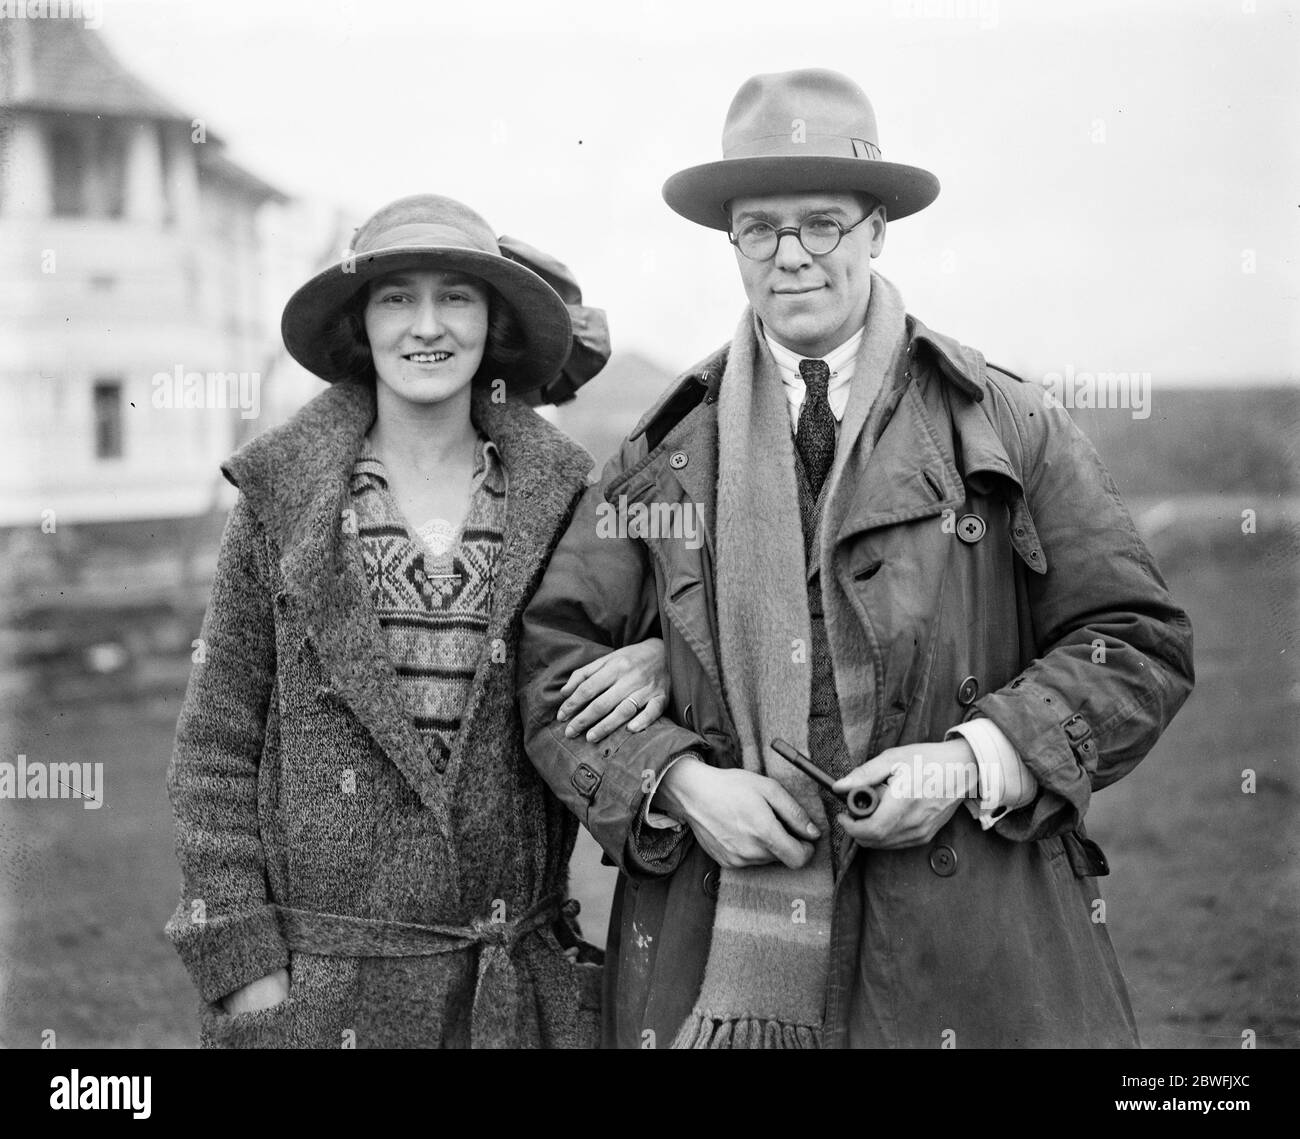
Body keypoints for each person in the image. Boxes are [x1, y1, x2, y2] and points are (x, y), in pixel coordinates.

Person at [518, 70, 1195, 1048]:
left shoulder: (1004, 424)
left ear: (877, 228)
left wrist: (971, 761)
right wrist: (679, 781)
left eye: (822, 223)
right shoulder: (661, 454)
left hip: (970, 951)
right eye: (761, 228)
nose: (790, 256)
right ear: (733, 242)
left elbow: (1132, 643)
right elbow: (553, 673)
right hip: (720, 950)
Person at [165, 193, 670, 1048]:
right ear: (361, 324)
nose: (426, 326)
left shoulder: (564, 500)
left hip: (513, 992)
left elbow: (652, 641)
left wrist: (657, 656)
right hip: (322, 997)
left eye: (456, 296)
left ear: (492, 322)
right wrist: (248, 971)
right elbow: (213, 746)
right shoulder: (281, 503)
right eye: (397, 297)